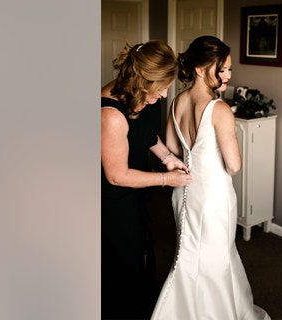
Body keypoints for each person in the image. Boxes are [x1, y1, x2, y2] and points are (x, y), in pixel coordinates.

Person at [151, 35, 271, 319]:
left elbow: (170, 145)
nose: (228, 74)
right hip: (214, 197)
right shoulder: (219, 110)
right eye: (223, 68)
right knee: (216, 261)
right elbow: (233, 166)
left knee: (189, 258)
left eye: (229, 68)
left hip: (184, 194)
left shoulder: (178, 100)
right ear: (201, 69)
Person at [101, 40, 193, 319]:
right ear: (141, 80)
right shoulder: (110, 114)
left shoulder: (142, 96)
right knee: (121, 268)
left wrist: (167, 157)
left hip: (135, 191)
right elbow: (117, 176)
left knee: (141, 255)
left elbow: (146, 134)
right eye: (161, 87)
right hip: (111, 201)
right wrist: (166, 179)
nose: (165, 95)